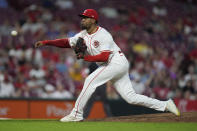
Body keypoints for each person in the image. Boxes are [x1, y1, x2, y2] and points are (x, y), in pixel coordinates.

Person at [35, 9, 180, 122]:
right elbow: (66, 42)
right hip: (114, 65)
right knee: (131, 97)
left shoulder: (104, 35)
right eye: (83, 18)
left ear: (93, 20)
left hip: (115, 62)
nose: (83, 20)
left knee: (89, 80)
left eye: (85, 18)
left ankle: (76, 114)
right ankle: (166, 105)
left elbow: (104, 56)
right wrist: (47, 43)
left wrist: (86, 57)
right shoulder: (83, 34)